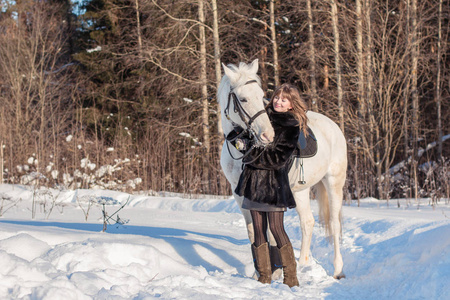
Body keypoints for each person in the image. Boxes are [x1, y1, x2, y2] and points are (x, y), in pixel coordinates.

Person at [235, 83, 308, 288]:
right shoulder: (260, 118)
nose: (278, 101)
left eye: (284, 99)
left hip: (273, 185)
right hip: (252, 183)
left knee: (277, 229)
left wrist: (250, 156)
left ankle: (291, 278)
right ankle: (264, 276)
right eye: (276, 97)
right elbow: (245, 142)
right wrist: (238, 141)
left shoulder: (291, 125)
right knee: (258, 229)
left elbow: (277, 158)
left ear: (291, 105)